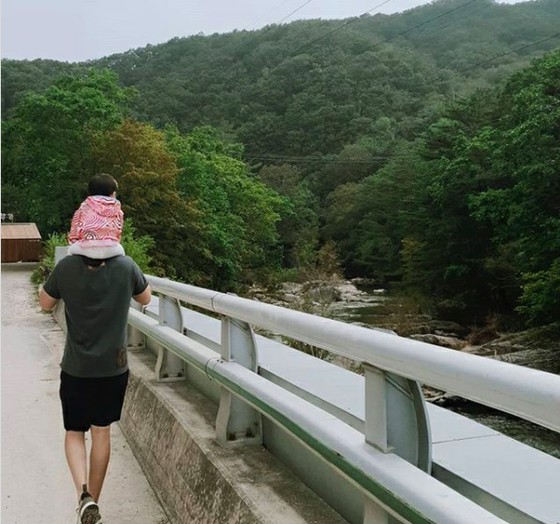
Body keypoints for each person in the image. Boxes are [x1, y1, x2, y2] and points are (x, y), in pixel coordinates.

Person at [39, 243, 151, 524]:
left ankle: (82, 495)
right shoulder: (126, 267)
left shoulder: (66, 266)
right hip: (113, 369)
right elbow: (146, 298)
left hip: (76, 369)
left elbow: (44, 303)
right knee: (101, 432)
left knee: (75, 431)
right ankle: (93, 505)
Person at [68, 173, 125, 259]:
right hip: (111, 250)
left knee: (70, 252)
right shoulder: (118, 209)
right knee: (121, 252)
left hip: (85, 249)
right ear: (112, 193)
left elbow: (74, 233)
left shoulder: (83, 207)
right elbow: (118, 232)